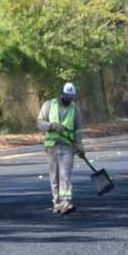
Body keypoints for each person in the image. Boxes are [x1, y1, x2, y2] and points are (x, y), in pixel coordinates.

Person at [37, 82, 85, 213]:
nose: (69, 100)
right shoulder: (48, 105)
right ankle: (57, 202)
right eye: (67, 97)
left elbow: (79, 130)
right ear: (61, 94)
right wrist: (51, 126)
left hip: (67, 146)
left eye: (71, 98)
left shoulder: (75, 109)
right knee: (55, 175)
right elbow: (39, 123)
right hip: (52, 146)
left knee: (65, 174)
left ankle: (66, 201)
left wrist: (79, 146)